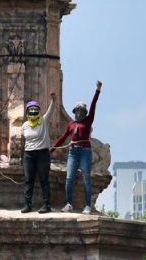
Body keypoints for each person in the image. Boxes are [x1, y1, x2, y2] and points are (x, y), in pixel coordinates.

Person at [52, 80, 102, 214]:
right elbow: (63, 138)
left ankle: (87, 205)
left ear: (84, 112)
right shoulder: (71, 124)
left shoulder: (88, 120)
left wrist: (97, 91)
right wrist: (52, 149)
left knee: (86, 178)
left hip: (85, 151)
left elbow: (93, 106)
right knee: (69, 178)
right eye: (77, 110)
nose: (79, 112)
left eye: (81, 110)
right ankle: (69, 204)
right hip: (73, 152)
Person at [21, 92, 57, 213]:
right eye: (30, 110)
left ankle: (47, 205)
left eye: (35, 110)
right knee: (28, 180)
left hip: (42, 154)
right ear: (27, 112)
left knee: (44, 179)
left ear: (39, 111)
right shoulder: (25, 125)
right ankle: (27, 205)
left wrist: (53, 100)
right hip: (29, 155)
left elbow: (51, 110)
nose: (33, 111)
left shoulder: (43, 121)